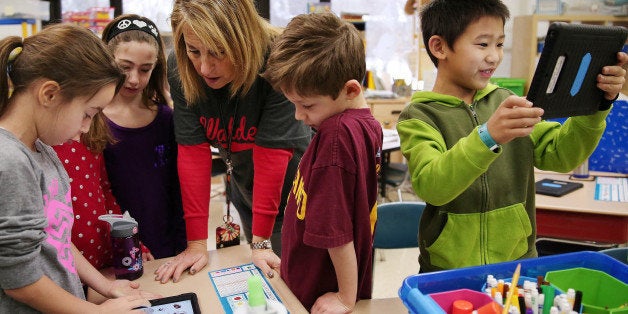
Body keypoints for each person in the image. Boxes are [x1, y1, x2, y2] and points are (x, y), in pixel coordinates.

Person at [396, 0, 628, 273]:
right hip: (448, 271)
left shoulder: (507, 102)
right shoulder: (420, 115)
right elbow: (432, 186)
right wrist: (487, 137)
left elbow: (561, 155)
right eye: (482, 44)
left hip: (517, 265)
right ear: (440, 47)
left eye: (500, 44)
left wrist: (597, 106)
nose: (494, 56)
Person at [0, 23, 156, 313]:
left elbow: (56, 237)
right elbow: (20, 281)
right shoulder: (9, 161)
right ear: (49, 94)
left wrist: (105, 286)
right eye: (87, 114)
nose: (85, 129)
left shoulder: (43, 150)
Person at [154, 0, 311, 283]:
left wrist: (262, 242)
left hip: (299, 195)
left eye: (219, 52)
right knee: (264, 281)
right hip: (247, 188)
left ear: (243, 39)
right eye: (194, 51)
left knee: (294, 283)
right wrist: (197, 244)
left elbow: (271, 156)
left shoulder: (277, 57)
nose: (204, 67)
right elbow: (192, 153)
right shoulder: (181, 67)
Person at [262, 13, 382, 312]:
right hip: (313, 279)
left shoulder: (337, 136)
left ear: (351, 90)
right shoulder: (364, 124)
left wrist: (344, 296)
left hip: (318, 292)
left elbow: (336, 232)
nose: (298, 116)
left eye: (307, 105)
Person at [100, 14, 187, 259]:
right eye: (124, 68)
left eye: (145, 69)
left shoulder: (166, 119)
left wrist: (184, 244)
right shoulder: (90, 120)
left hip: (165, 244)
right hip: (112, 248)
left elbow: (178, 189)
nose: (134, 79)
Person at [53, 113, 154, 270]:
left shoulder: (91, 135)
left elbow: (105, 193)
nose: (84, 126)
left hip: (105, 259)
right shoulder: (47, 145)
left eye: (91, 113)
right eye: (85, 113)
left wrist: (129, 242)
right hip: (67, 267)